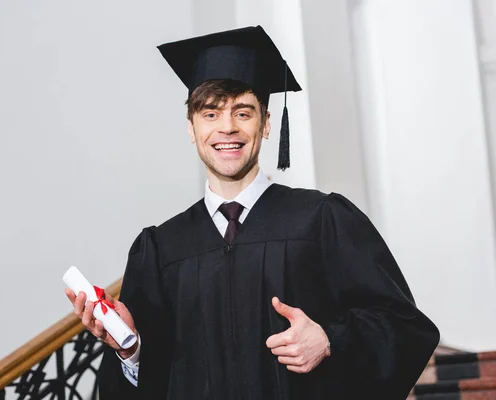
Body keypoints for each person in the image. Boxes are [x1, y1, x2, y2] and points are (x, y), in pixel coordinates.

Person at [65, 26, 439, 400]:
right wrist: (131, 351)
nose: (227, 127)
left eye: (242, 112)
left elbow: (405, 327)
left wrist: (329, 339)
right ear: (192, 128)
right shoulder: (161, 248)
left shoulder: (322, 219)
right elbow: (150, 383)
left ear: (266, 124)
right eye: (210, 114)